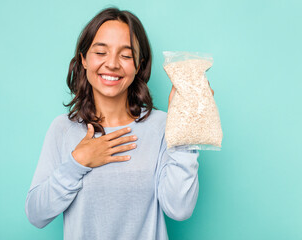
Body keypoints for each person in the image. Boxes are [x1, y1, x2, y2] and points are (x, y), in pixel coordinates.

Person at [25, 7, 213, 240]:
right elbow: (36, 214)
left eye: (125, 55)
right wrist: (78, 163)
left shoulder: (162, 126)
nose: (112, 64)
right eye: (100, 52)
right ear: (83, 59)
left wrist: (185, 126)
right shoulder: (63, 129)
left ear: (139, 65)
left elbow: (180, 209)